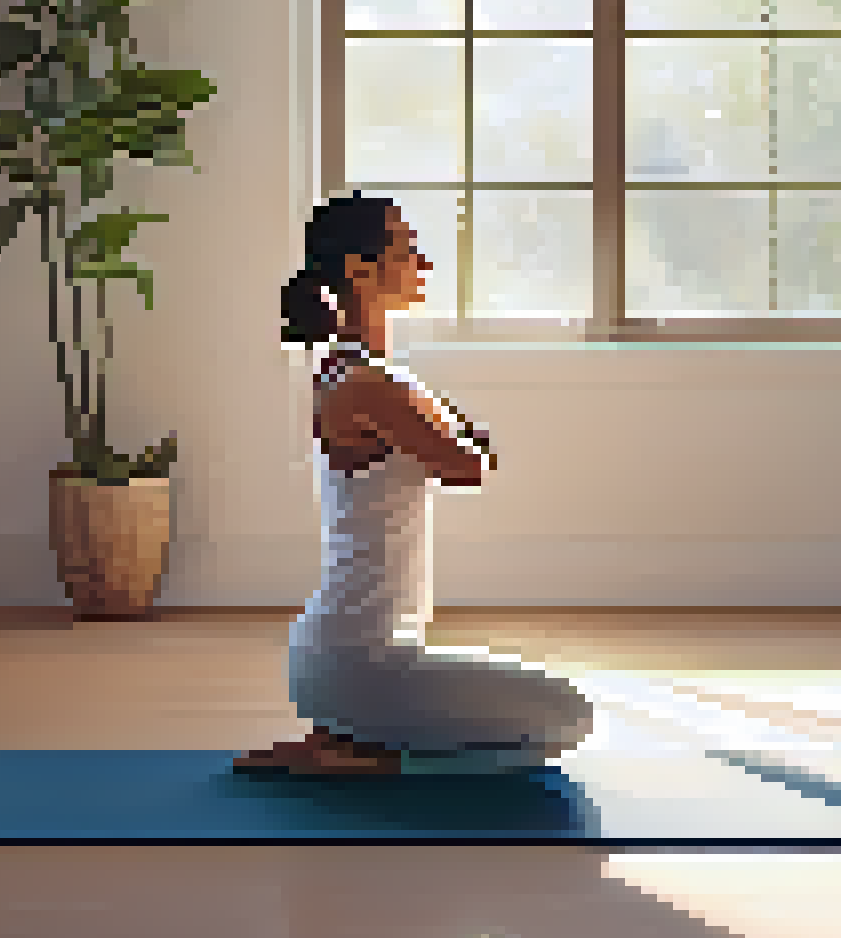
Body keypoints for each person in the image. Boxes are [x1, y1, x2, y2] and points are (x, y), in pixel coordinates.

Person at [236, 194, 596, 775]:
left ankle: (351, 742)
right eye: (407, 249)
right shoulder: (370, 382)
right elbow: (471, 461)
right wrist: (436, 410)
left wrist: (432, 409)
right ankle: (367, 756)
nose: (424, 262)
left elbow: (470, 447)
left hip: (340, 659)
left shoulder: (355, 371)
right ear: (359, 269)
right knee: (571, 717)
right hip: (359, 663)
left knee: (544, 713)